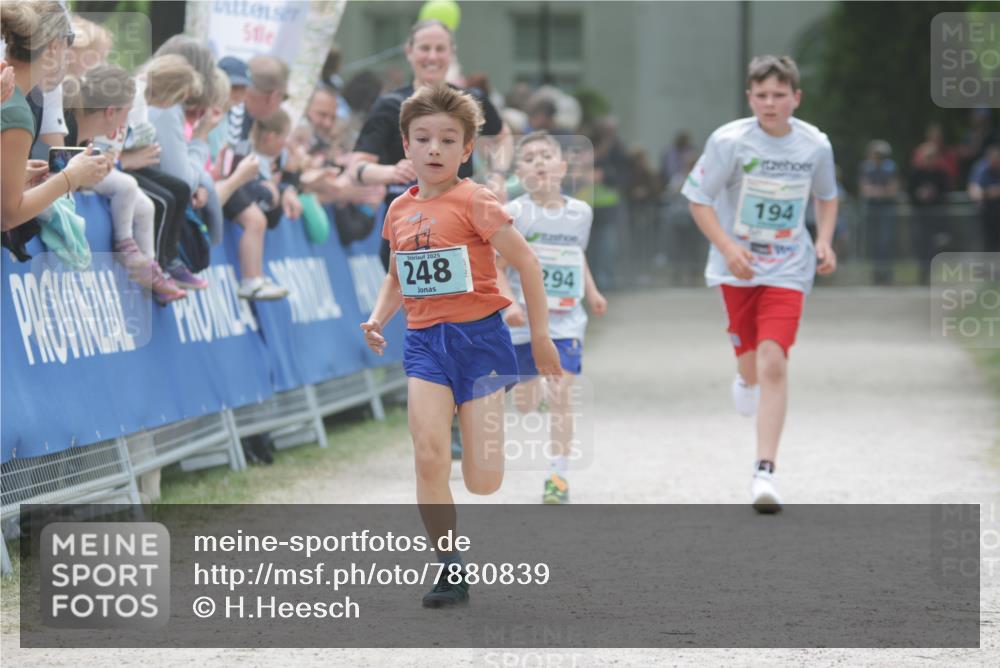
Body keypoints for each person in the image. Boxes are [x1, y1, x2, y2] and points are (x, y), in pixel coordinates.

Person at [360, 85, 560, 607]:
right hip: (426, 343)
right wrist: (378, 317)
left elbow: (527, 264)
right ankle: (449, 568)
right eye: (423, 138)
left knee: (483, 480)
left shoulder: (476, 200)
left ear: (466, 149)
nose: (434, 149)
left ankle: (478, 445)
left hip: (481, 341)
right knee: (427, 454)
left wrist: (539, 338)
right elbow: (397, 276)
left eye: (447, 140)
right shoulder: (399, 211)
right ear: (405, 145)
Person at [682, 55, 838, 513]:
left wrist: (825, 242)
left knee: (774, 362)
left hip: (789, 266)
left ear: (796, 98)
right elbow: (698, 199)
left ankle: (764, 471)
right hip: (737, 267)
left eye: (779, 95)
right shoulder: (729, 141)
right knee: (750, 364)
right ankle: (743, 377)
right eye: (762, 95)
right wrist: (730, 248)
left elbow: (828, 197)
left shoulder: (815, 145)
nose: (770, 104)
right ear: (750, 98)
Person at [496, 131, 608, 504]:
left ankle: (558, 474)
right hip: (524, 324)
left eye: (546, 155)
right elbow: (496, 266)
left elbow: (576, 255)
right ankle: (532, 388)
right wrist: (509, 303)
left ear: (562, 167)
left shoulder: (581, 213)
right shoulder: (514, 214)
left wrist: (591, 292)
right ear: (519, 174)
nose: (539, 162)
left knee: (561, 391)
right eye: (529, 158)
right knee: (526, 403)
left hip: (566, 320)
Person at [61, 64, 185, 301]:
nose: (126, 122)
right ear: (111, 112)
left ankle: (149, 266)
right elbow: (52, 179)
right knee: (127, 184)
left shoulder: (82, 131)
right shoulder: (65, 127)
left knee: (145, 204)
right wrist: (82, 176)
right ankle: (126, 246)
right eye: (126, 114)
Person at [1, 0, 109, 232]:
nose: (69, 54)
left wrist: (19, 175)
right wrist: (70, 177)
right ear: (53, 47)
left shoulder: (11, 100)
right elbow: (8, 215)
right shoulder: (17, 111)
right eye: (68, 41)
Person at [908, 142, 950, 283]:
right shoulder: (916, 173)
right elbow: (909, 193)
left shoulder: (941, 174)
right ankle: (923, 272)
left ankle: (932, 272)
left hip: (936, 217)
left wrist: (934, 194)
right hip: (920, 216)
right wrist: (919, 195)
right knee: (920, 244)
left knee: (935, 245)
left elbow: (946, 194)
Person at [858, 139, 899, 285]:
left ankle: (887, 274)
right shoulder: (866, 167)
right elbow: (865, 189)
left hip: (886, 208)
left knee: (886, 241)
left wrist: (876, 192)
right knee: (873, 242)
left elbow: (893, 189)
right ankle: (876, 274)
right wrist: (880, 191)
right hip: (872, 209)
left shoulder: (890, 167)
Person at [970, 145, 1000, 252]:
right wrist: (987, 193)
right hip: (986, 211)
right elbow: (975, 189)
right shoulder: (982, 168)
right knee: (986, 242)